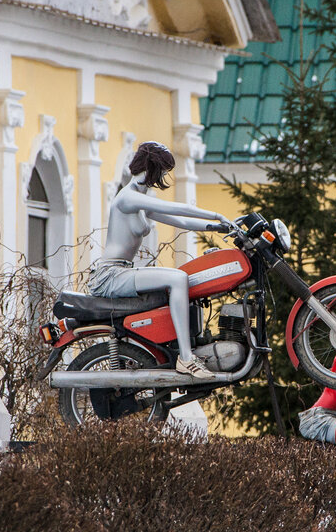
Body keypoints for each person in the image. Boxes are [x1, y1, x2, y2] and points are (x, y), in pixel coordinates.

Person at [88, 141, 231, 378]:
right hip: (110, 275)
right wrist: (217, 213)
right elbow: (177, 208)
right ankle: (186, 359)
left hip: (122, 271)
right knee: (178, 278)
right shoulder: (128, 198)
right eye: (163, 169)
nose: (164, 175)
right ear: (153, 166)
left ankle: (180, 349)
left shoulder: (140, 199)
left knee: (185, 280)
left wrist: (220, 227)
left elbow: (182, 222)